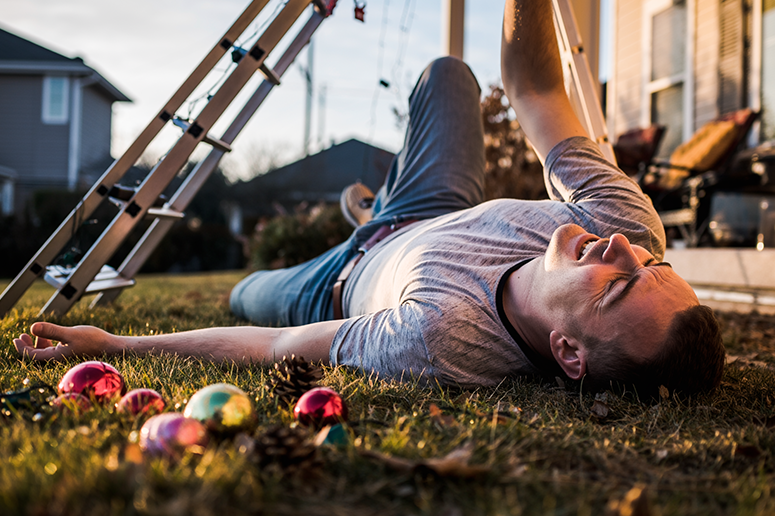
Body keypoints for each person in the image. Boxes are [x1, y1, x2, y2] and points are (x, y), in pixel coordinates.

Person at [14, 0, 725, 397]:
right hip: (427, 208)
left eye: (615, 284)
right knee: (449, 74)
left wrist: (117, 342)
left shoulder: (445, 340)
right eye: (653, 265)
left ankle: (356, 227)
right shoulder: (619, 221)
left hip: (335, 284)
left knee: (247, 295)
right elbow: (536, 87)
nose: (621, 248)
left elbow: (280, 345)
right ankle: (381, 207)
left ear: (568, 352)